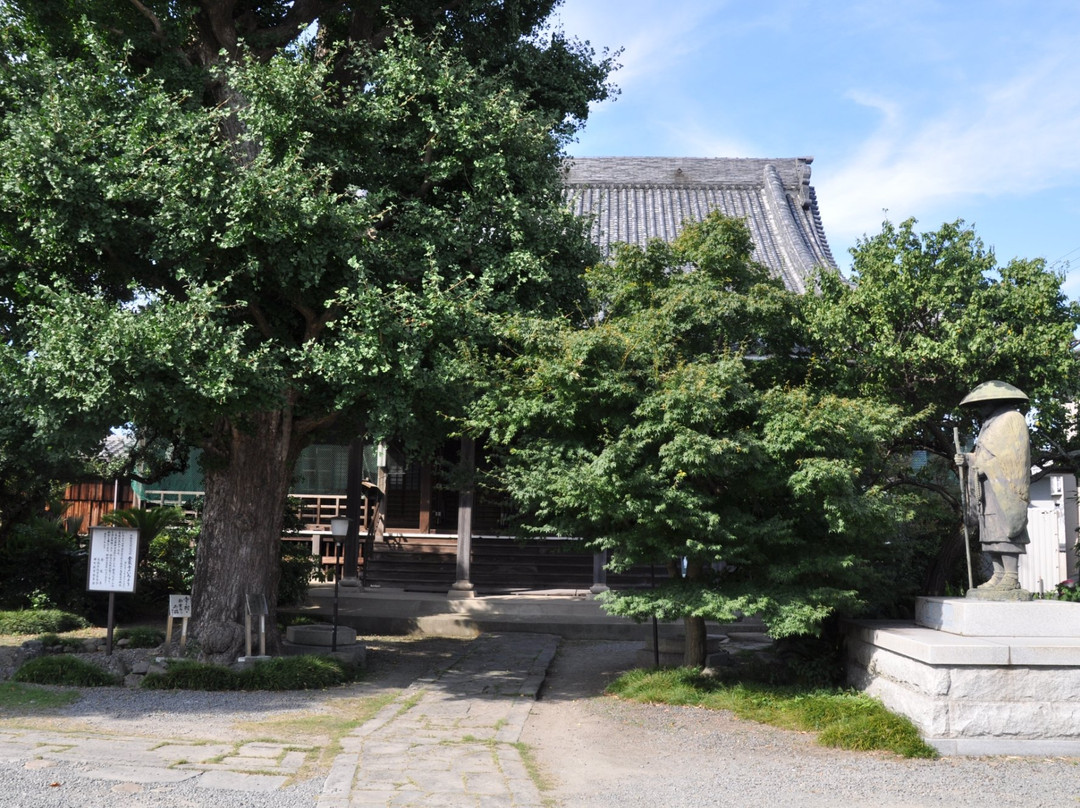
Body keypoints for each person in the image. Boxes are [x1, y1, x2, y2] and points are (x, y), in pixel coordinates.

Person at [954, 381, 1031, 593]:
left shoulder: (1012, 418)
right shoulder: (988, 423)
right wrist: (968, 459)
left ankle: (1012, 576)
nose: (979, 409)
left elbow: (1014, 455)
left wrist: (986, 466)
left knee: (1005, 529)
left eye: (983, 403)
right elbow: (983, 455)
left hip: (1004, 485)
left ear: (995, 401)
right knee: (990, 530)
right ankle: (998, 574)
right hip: (987, 485)